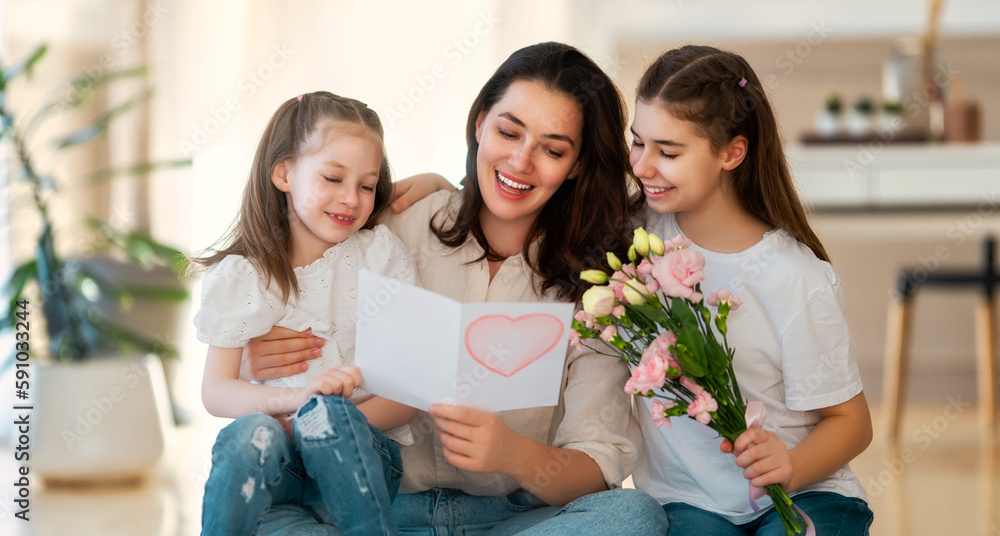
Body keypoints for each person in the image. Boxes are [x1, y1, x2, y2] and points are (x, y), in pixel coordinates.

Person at [241, 42, 669, 535]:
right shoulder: (393, 227)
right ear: (479, 124)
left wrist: (516, 455)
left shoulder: (599, 283)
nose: (521, 162)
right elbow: (284, 271)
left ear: (575, 165)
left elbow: (599, 462)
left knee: (634, 518)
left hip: (513, 518)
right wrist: (254, 354)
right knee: (259, 512)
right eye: (508, 132)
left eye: (553, 150)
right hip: (375, 511)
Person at [629, 45, 874, 534]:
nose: (642, 166)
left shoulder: (793, 275)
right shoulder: (632, 235)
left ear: (731, 152)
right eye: (637, 142)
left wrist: (791, 466)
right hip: (687, 503)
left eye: (668, 151)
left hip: (806, 490)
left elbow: (852, 422)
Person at [193, 91, 420, 536]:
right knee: (247, 436)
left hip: (366, 458)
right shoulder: (242, 276)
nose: (351, 199)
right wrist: (299, 405)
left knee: (330, 418)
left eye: (367, 185)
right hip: (281, 471)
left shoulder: (379, 256)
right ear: (283, 173)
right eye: (333, 178)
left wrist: (320, 421)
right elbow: (216, 391)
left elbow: (405, 398)